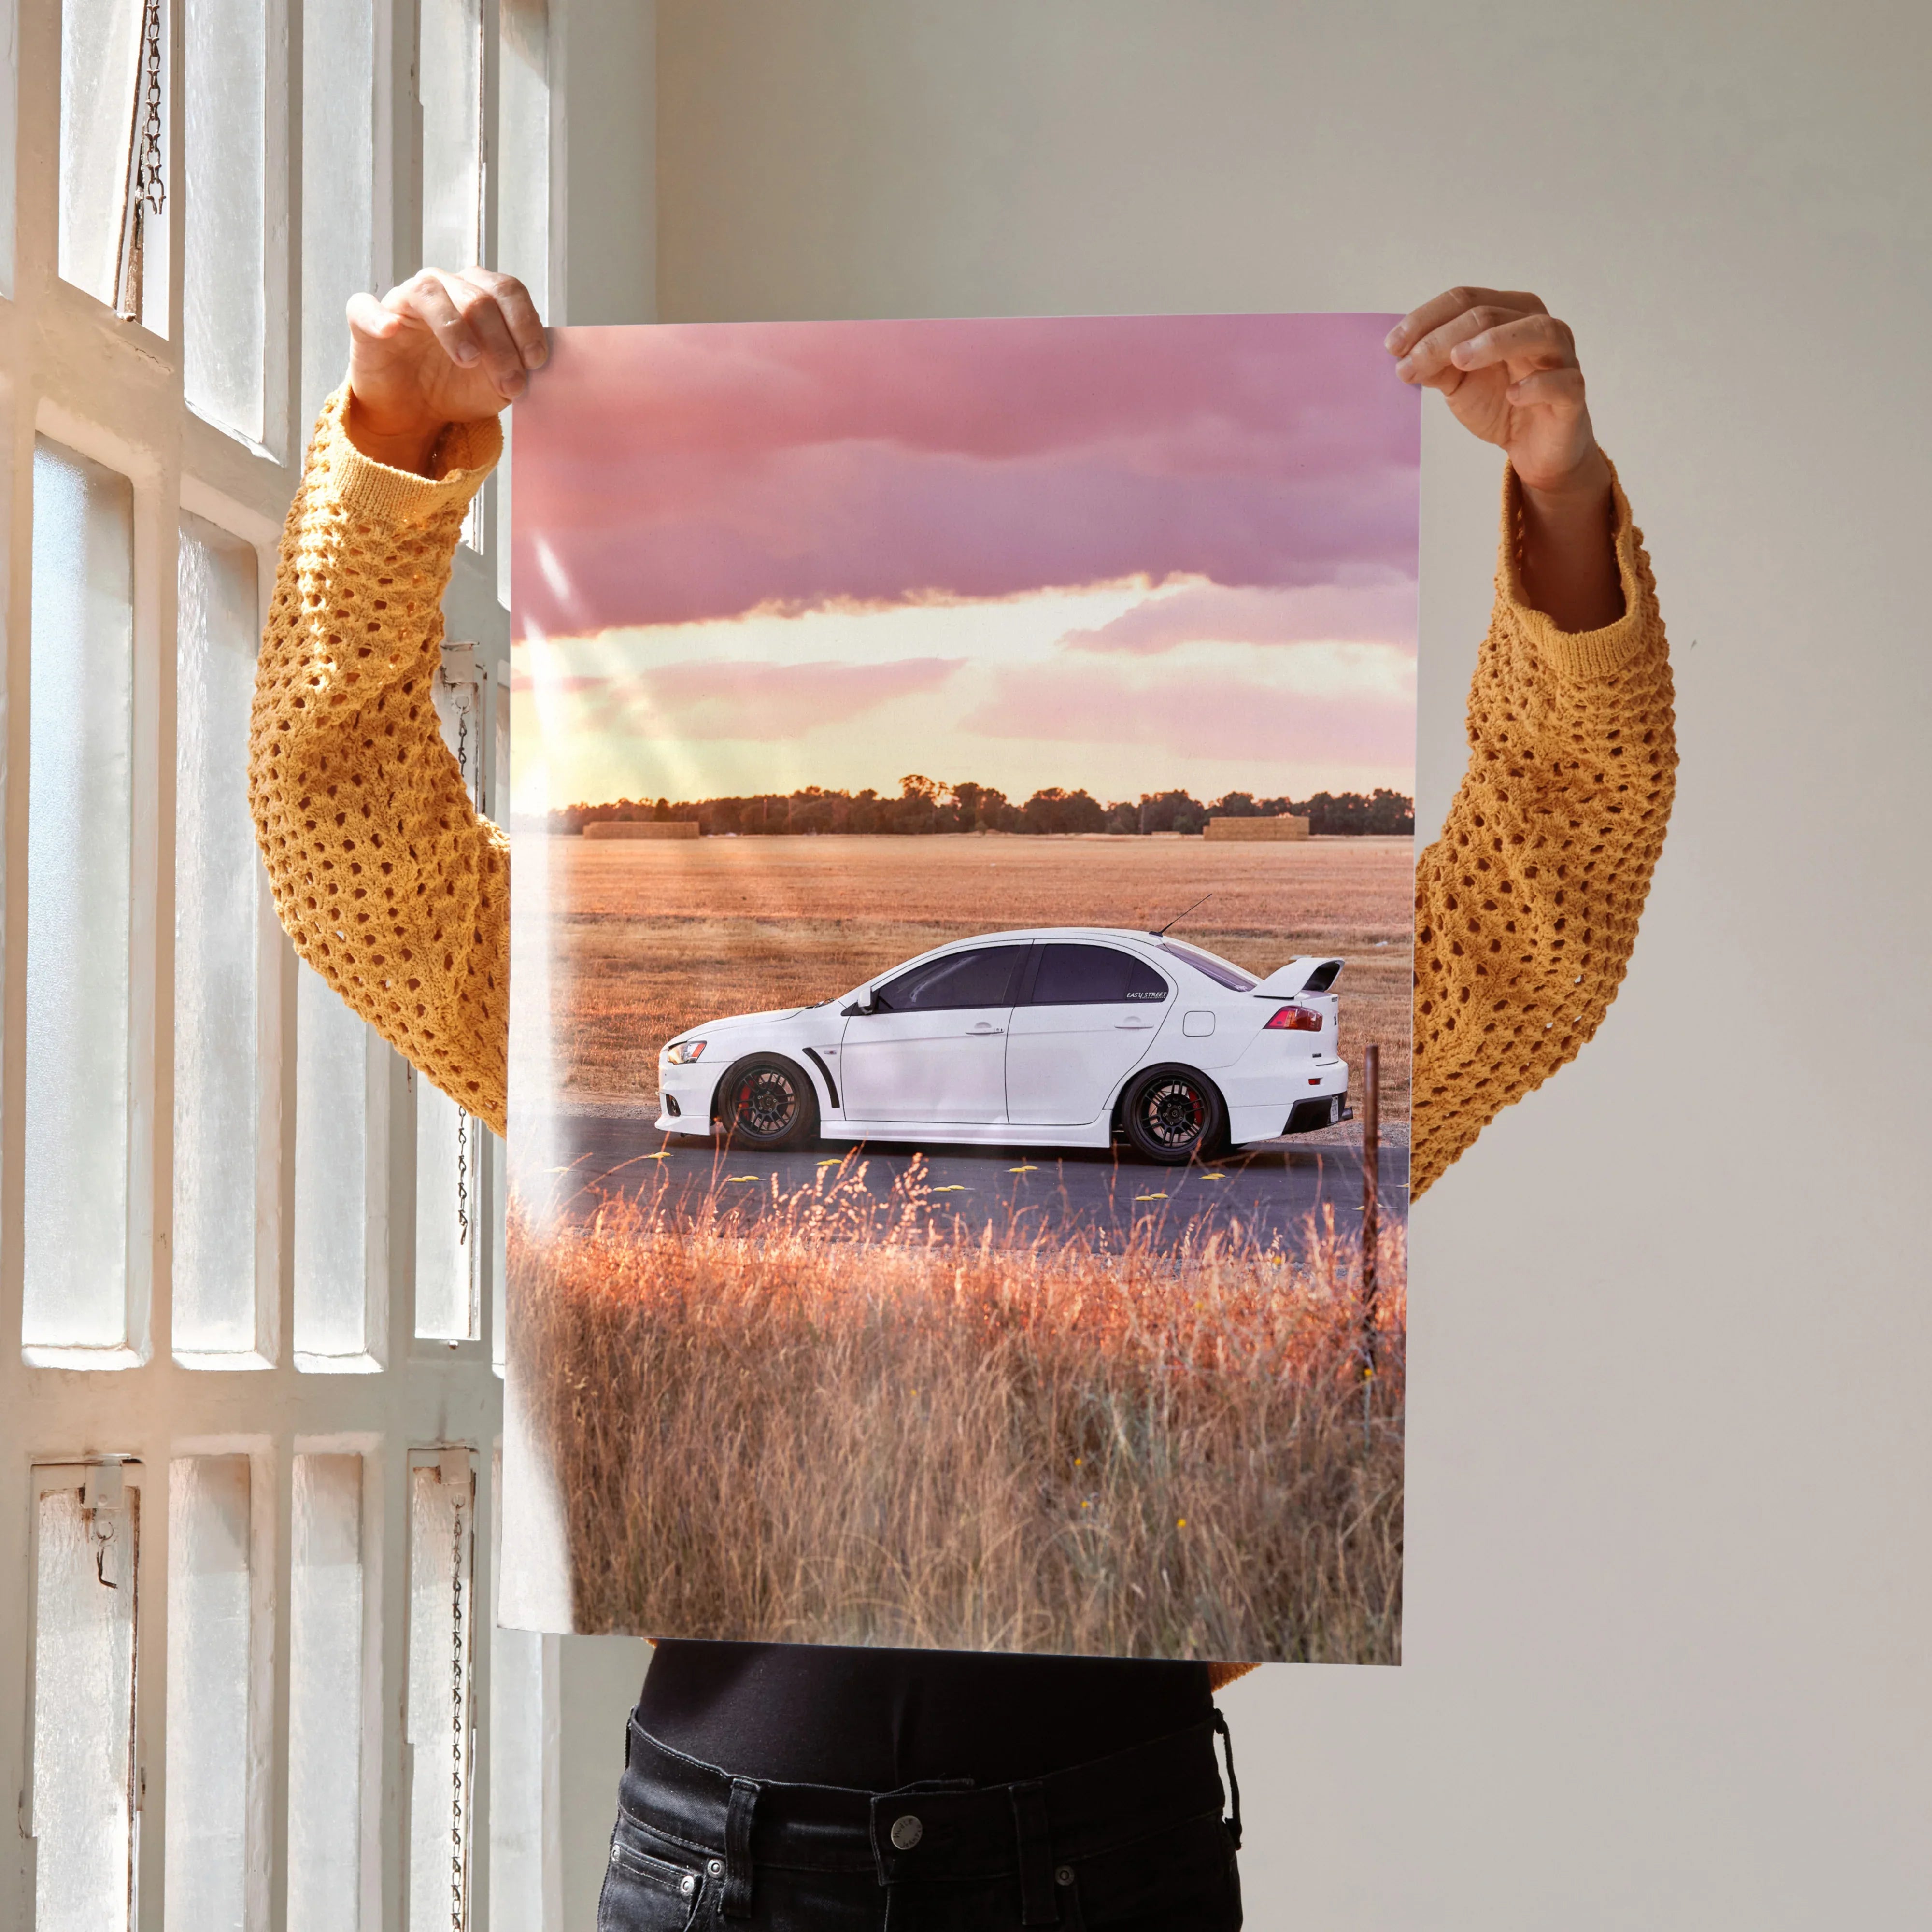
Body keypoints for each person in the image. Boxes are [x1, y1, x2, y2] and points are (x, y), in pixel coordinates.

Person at [250, 270, 1674, 1930]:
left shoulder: (1296, 1090)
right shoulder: (627, 1014)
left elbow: (1548, 894)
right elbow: (346, 842)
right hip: (727, 1868)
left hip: (1102, 1854)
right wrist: (392, 444)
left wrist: (1560, 497)